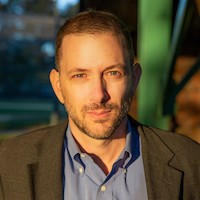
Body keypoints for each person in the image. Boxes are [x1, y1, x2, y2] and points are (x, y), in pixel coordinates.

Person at [0, 10, 200, 200]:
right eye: (80, 75)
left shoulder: (191, 162)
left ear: (134, 79)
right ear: (58, 86)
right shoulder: (8, 165)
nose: (99, 95)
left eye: (113, 73)